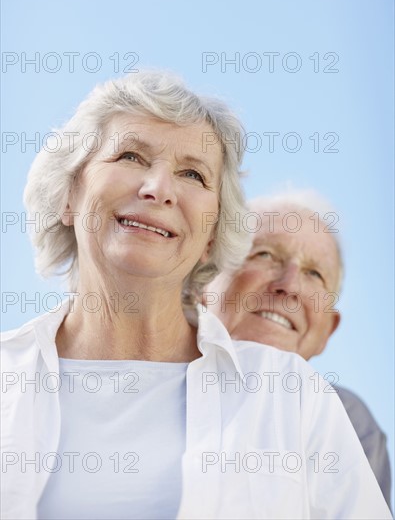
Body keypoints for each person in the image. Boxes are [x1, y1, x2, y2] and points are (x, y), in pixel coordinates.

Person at [1, 73, 392, 520]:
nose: (158, 189)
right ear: (69, 195)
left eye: (192, 174)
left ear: (212, 236)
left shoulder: (295, 397)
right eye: (130, 155)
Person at [206, 190, 392, 509]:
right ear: (204, 281)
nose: (289, 285)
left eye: (314, 274)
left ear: (326, 332)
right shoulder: (143, 374)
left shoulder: (349, 421)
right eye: (264, 254)